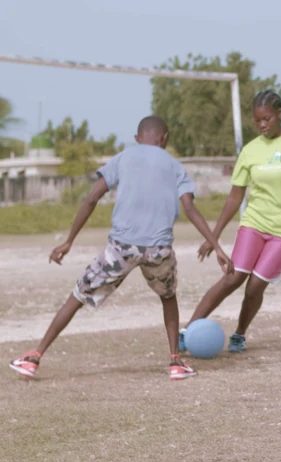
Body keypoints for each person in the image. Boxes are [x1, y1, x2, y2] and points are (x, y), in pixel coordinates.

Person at [9, 116, 233, 381]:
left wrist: (69, 240)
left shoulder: (123, 158)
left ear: (138, 138)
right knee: (168, 297)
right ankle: (175, 361)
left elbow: (92, 198)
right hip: (158, 249)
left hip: (121, 248)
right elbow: (190, 208)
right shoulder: (175, 166)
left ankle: (35, 356)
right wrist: (217, 246)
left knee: (78, 295)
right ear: (165, 138)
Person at [180, 90, 281, 354]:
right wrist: (213, 237)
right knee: (233, 278)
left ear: (280, 114)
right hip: (254, 223)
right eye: (257, 121)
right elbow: (235, 197)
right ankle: (187, 331)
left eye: (267, 118)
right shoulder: (250, 150)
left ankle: (239, 334)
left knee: (255, 286)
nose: (262, 125)